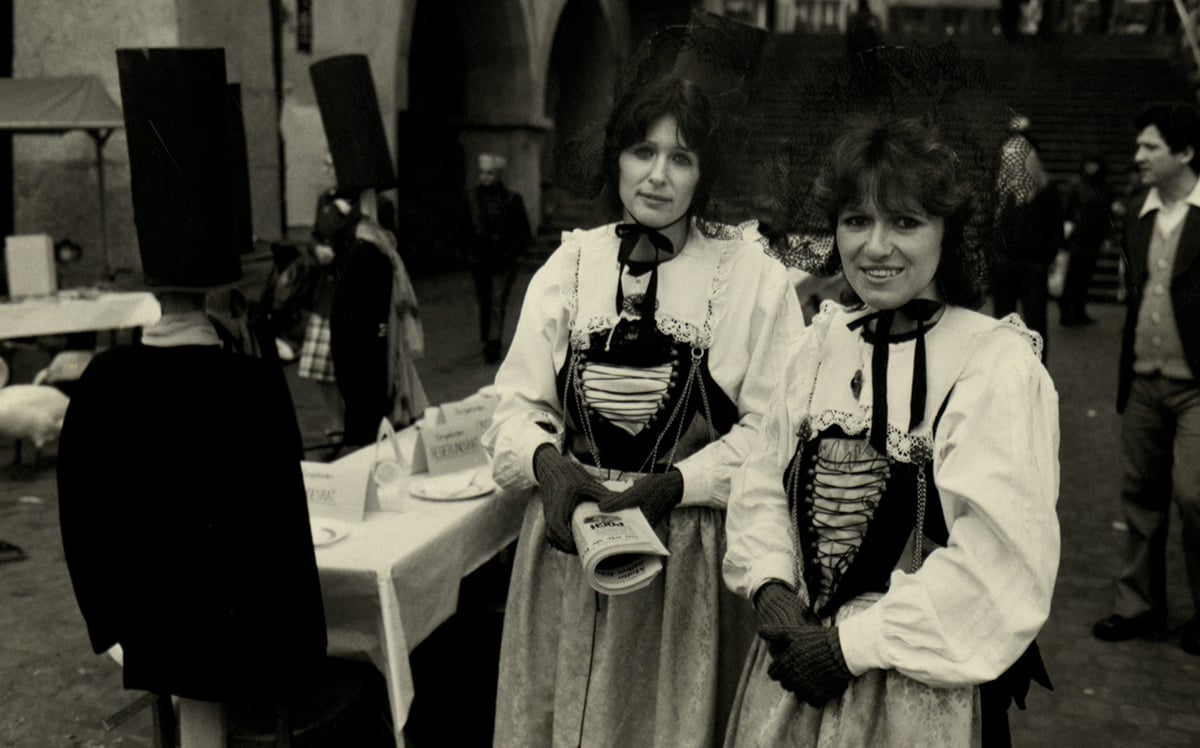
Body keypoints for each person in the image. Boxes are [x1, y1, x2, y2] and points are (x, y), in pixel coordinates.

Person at [482, 73, 801, 746]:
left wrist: (678, 483)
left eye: (680, 158)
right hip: (572, 540)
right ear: (615, 159)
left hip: (683, 557)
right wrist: (550, 467)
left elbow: (777, 434)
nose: (657, 176)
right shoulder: (568, 267)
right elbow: (513, 405)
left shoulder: (751, 278)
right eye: (641, 152)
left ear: (703, 172)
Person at [724, 115, 1060, 746]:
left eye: (905, 222)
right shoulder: (818, 346)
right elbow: (761, 481)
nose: (876, 248)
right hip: (791, 674)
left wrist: (850, 646)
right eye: (857, 221)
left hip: (917, 692)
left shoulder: (993, 363)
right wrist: (771, 587)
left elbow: (1000, 561)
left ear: (949, 232)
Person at [58, 47, 327, 745]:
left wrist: (108, 619)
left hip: (150, 613)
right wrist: (300, 638)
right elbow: (285, 525)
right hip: (232, 621)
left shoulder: (105, 382)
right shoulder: (254, 383)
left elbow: (80, 515)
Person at [1092, 101, 1200, 656]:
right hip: (1143, 379)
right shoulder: (1139, 212)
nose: (1138, 157)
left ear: (1185, 152)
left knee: (1195, 495)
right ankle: (1139, 605)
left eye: (1150, 147)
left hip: (1195, 385)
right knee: (1139, 495)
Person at [319, 193, 427, 447]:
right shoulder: (372, 252)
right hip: (366, 357)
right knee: (371, 428)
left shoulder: (377, 252)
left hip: (370, 355)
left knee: (375, 424)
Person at [992, 134, 1063, 361]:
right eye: (1006, 158)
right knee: (1002, 326)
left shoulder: (1045, 191)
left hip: (1032, 268)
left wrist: (1042, 262)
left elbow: (1056, 230)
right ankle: (1002, 376)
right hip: (1004, 265)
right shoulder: (1000, 191)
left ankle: (1037, 377)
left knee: (1035, 328)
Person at [466, 153, 533, 363]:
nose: (484, 177)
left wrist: (512, 253)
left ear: (498, 174)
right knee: (485, 300)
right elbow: (464, 228)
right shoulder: (472, 198)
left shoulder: (512, 200)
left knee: (497, 299)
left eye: (489, 173)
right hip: (480, 260)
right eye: (482, 172)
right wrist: (469, 253)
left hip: (504, 261)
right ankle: (488, 338)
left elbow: (524, 232)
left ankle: (493, 343)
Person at [1059, 153, 1113, 326]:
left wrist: (1106, 237)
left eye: (1094, 164)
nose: (1090, 168)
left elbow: (1107, 215)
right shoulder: (1076, 184)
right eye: (1088, 164)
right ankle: (1067, 314)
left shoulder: (1105, 187)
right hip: (1077, 237)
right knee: (1073, 277)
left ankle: (1080, 312)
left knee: (1085, 277)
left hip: (1093, 238)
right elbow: (1066, 209)